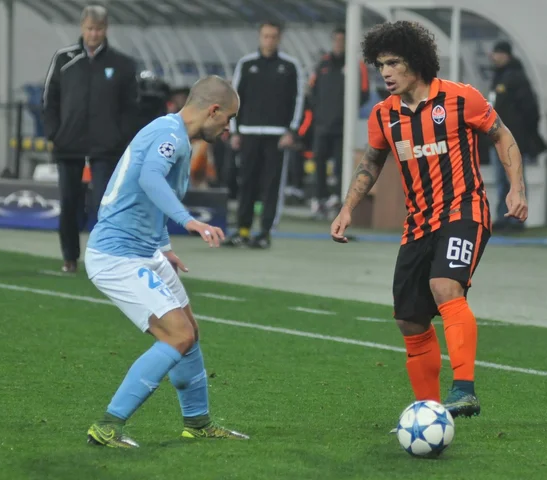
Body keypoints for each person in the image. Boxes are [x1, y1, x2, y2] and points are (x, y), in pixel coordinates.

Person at [330, 21, 528, 419]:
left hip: (464, 212)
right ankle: (429, 409)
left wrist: (517, 188)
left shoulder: (460, 99)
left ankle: (465, 391)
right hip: (418, 223)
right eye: (379, 64)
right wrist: (348, 206)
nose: (385, 72)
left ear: (416, 62)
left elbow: (502, 136)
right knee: (408, 319)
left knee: (444, 284)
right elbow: (371, 161)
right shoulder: (384, 115)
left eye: (393, 63)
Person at [84, 75, 248, 448]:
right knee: (177, 335)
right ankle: (108, 425)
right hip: (116, 255)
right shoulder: (170, 135)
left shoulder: (177, 137)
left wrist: (164, 245)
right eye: (229, 118)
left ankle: (198, 423)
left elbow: (150, 198)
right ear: (213, 110)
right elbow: (149, 179)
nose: (228, 127)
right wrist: (189, 221)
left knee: (189, 332)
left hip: (145, 250)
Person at [42, 5, 138, 273]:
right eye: (89, 29)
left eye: (98, 29)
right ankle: (70, 257)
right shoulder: (64, 59)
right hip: (68, 146)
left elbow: (131, 107)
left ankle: (104, 258)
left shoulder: (122, 64)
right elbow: (50, 100)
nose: (93, 34)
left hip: (106, 148)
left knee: (104, 205)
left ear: (105, 30)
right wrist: (55, 134)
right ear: (82, 28)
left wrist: (120, 137)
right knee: (69, 202)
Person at [225, 20, 304, 249]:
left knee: (271, 186)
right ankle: (242, 231)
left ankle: (265, 233)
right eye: (265, 36)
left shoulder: (290, 66)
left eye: (273, 36)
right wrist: (234, 130)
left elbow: (298, 99)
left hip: (277, 136)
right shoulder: (246, 64)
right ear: (260, 37)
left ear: (279, 39)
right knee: (246, 182)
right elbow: (235, 98)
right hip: (248, 133)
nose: (269, 40)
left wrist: (292, 130)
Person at [308, 27, 370, 219]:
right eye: (336, 40)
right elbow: (311, 91)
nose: (339, 44)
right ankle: (319, 199)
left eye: (343, 40)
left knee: (340, 165)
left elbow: (364, 92)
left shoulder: (356, 65)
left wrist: (347, 112)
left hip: (343, 127)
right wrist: (319, 112)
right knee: (319, 162)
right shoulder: (322, 64)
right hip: (322, 125)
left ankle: (337, 199)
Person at [489, 40, 547, 231]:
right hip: (496, 138)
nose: (494, 56)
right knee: (500, 180)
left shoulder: (516, 78)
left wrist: (523, 134)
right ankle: (503, 217)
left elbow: (530, 110)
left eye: (498, 53)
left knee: (514, 179)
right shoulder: (498, 77)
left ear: (506, 55)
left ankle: (517, 219)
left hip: (513, 139)